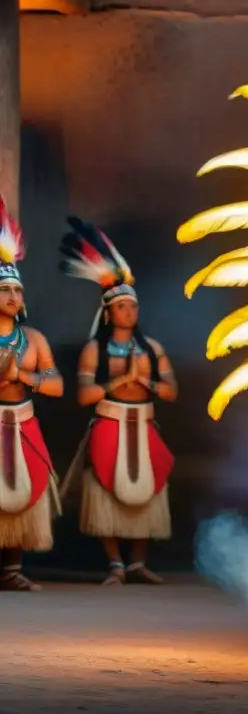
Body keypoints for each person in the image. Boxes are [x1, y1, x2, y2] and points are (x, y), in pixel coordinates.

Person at [58, 218, 177, 586]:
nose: (129, 312)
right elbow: (84, 396)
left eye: (132, 306)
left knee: (149, 488)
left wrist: (148, 383)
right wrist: (120, 381)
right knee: (105, 489)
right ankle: (114, 564)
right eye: (122, 307)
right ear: (108, 312)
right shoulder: (95, 350)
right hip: (109, 422)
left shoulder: (152, 349)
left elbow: (171, 391)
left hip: (143, 423)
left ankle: (137, 563)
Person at [0, 199, 64, 591]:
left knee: (25, 492)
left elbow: (56, 385)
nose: (11, 296)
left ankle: (11, 568)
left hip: (22, 421)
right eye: (3, 289)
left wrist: (21, 373)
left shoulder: (34, 340)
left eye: (15, 290)